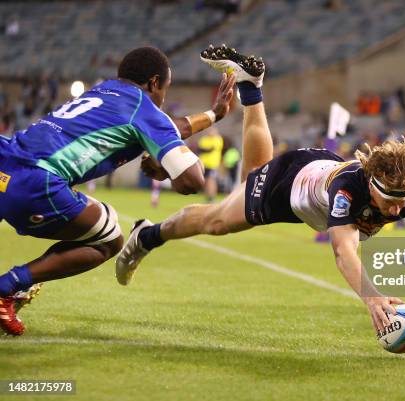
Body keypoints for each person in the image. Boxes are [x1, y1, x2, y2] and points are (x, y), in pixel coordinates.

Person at [116, 45, 405, 334]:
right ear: (372, 183)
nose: (398, 211)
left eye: (403, 203)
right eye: (390, 202)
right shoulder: (348, 190)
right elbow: (344, 251)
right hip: (285, 187)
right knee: (215, 221)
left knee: (251, 171)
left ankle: (252, 87)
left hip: (314, 167)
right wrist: (372, 298)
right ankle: (147, 235)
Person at [0, 46, 235, 336]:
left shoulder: (105, 91)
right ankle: (10, 285)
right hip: (35, 184)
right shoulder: (145, 108)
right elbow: (192, 181)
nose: (164, 96)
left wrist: (214, 114)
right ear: (154, 83)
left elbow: (168, 128)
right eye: (166, 87)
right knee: (109, 238)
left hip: (6, 158)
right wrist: (163, 167)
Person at [198, 127, 224, 202]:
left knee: (211, 180)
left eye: (212, 131)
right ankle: (207, 196)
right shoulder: (204, 139)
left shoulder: (218, 139)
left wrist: (204, 149)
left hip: (212, 164)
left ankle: (212, 196)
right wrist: (205, 149)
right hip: (203, 163)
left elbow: (209, 149)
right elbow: (200, 149)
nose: (210, 132)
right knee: (205, 180)